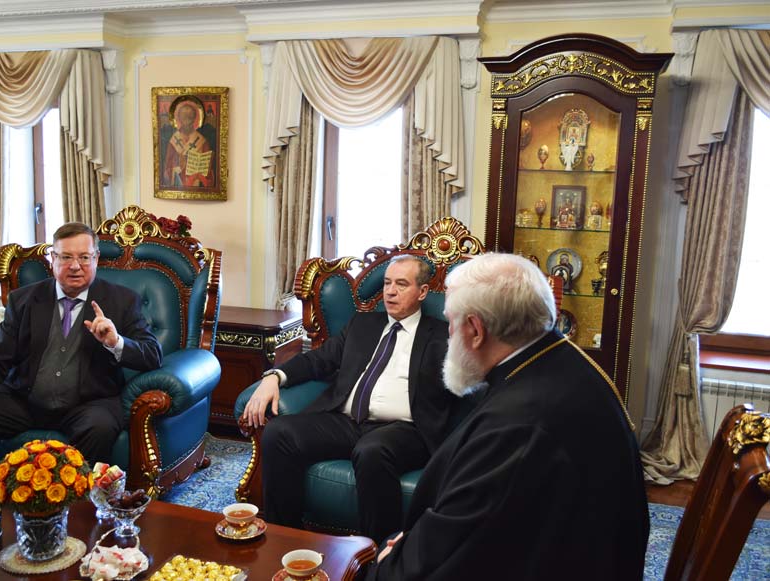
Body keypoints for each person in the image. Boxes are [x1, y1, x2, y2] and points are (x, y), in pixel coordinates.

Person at [367, 253, 649, 580]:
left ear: (476, 330)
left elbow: (455, 552)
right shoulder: (559, 359)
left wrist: (392, 561)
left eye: (451, 323)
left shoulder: (517, 425)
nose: (449, 335)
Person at [242, 255, 458, 544]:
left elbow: (467, 381)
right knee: (279, 432)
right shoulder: (362, 324)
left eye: (401, 284)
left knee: (371, 451)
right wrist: (274, 377)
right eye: (387, 283)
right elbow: (318, 360)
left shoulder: (443, 336)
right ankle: (285, 539)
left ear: (422, 292)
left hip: (405, 429)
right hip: (346, 421)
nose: (390, 291)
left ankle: (377, 553)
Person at [0, 222, 163, 469]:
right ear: (53, 259)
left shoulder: (122, 300)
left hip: (88, 405)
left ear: (96, 258)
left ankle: (76, 490)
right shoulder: (24, 300)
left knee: (100, 428)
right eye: (66, 257)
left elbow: (152, 355)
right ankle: (3, 481)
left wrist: (116, 342)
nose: (75, 266)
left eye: (84, 257)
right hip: (24, 402)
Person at [162, 97, 214, 188]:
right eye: (184, 116)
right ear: (179, 118)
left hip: (196, 183)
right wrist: (178, 165)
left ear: (194, 118)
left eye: (190, 117)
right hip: (178, 184)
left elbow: (207, 170)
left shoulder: (202, 141)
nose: (187, 120)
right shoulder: (173, 140)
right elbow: (167, 167)